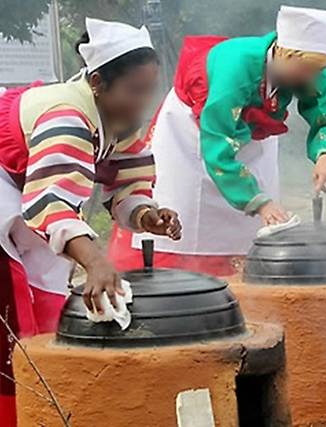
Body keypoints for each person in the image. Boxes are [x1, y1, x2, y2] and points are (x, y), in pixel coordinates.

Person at [0, 18, 181, 426]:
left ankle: (45, 404)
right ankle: (13, 413)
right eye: (134, 91)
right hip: (9, 185)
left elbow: (128, 182)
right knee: (9, 306)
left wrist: (146, 215)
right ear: (97, 83)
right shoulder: (67, 116)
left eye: (149, 91)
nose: (142, 103)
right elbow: (50, 200)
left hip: (29, 188)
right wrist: (95, 261)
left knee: (46, 302)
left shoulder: (123, 118)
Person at [107, 5, 326, 276]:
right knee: (186, 214)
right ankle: (177, 279)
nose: (311, 78)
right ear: (284, 53)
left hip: (251, 135)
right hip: (193, 135)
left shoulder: (311, 68)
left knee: (257, 227)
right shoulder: (235, 70)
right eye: (305, 69)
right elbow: (217, 143)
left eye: (317, 70)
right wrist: (259, 202)